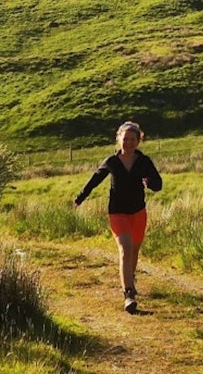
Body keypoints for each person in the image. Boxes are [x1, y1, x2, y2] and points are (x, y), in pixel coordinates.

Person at [73, 121, 163, 313]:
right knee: (125, 248)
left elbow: (158, 184)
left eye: (133, 139)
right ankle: (128, 294)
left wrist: (150, 183)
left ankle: (129, 279)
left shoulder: (144, 161)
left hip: (138, 212)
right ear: (119, 139)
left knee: (134, 251)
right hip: (117, 212)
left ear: (138, 141)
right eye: (125, 139)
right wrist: (80, 197)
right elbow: (95, 180)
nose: (129, 142)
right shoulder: (112, 162)